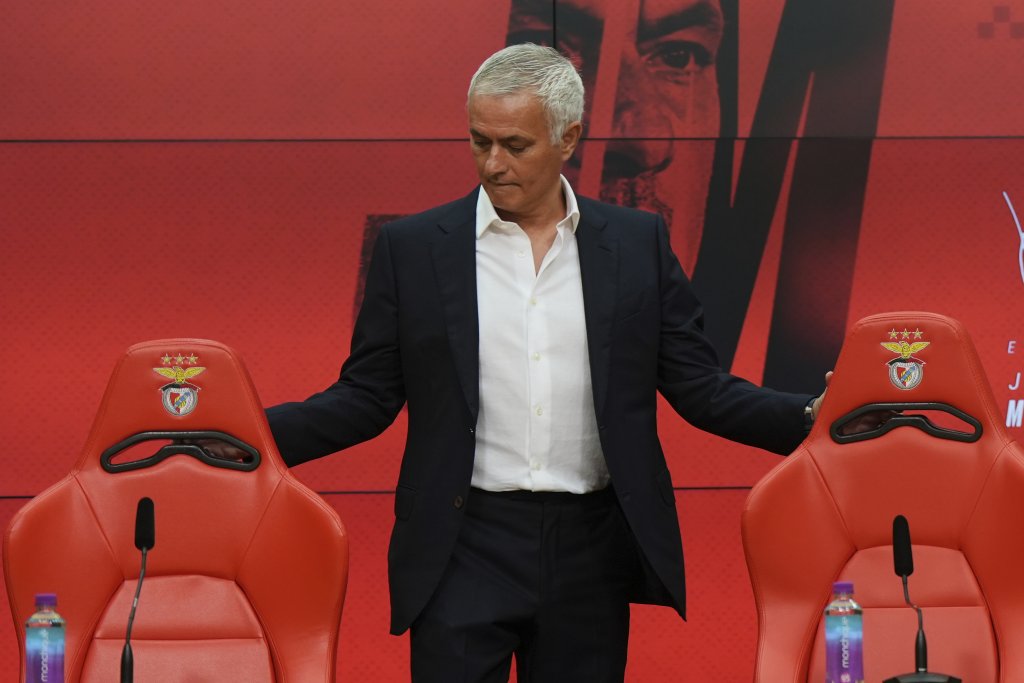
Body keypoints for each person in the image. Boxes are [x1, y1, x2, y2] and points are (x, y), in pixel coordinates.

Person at [264, 44, 820, 682]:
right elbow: (365, 397)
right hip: (461, 543)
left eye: (515, 145)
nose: (492, 164)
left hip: (592, 548)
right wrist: (245, 436)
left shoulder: (636, 244)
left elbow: (701, 387)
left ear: (568, 138)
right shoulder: (412, 249)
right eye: (479, 141)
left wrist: (814, 417)